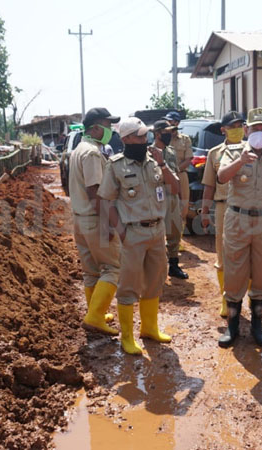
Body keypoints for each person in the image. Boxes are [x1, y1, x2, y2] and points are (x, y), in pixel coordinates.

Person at [98, 117, 180, 355]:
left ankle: (149, 328)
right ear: (126, 140)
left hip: (157, 231)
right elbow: (106, 202)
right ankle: (127, 338)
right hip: (132, 233)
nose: (145, 140)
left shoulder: (155, 162)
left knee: (155, 281)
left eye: (146, 136)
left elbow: (175, 188)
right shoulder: (115, 166)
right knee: (129, 286)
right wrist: (120, 232)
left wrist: (164, 164)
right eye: (140, 136)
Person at [217, 107, 262, 348]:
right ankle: (233, 326)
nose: (260, 132)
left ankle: (258, 325)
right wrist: (240, 161)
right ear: (246, 130)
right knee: (234, 270)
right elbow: (221, 176)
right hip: (238, 219)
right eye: (255, 128)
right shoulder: (233, 152)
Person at [70, 107, 121, 336]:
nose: (110, 129)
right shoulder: (91, 153)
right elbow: (96, 192)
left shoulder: (78, 149)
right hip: (94, 218)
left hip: (80, 219)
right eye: (107, 125)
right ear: (95, 127)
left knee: (91, 271)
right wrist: (109, 223)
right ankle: (94, 317)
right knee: (113, 268)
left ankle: (95, 312)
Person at [200, 111, 245, 317]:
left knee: (250, 254)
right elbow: (209, 184)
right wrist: (205, 210)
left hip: (249, 209)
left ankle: (254, 298)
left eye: (239, 125)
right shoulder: (214, 153)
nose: (236, 129)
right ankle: (226, 299)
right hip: (223, 207)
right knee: (223, 254)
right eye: (232, 126)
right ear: (223, 129)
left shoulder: (254, 150)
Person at [153, 120, 189, 279]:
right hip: (156, 197)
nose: (170, 135)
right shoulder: (148, 152)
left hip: (172, 195)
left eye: (171, 132)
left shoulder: (171, 151)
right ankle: (156, 268)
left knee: (175, 230)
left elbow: (176, 175)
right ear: (157, 133)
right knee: (157, 233)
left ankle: (173, 265)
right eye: (166, 132)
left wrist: (181, 199)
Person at [165, 111, 194, 221]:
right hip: (165, 175)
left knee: (183, 205)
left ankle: (181, 230)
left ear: (177, 123)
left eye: (170, 121)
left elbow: (188, 159)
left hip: (181, 175)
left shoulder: (185, 139)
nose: (167, 123)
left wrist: (175, 171)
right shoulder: (163, 138)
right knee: (167, 204)